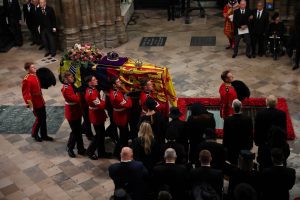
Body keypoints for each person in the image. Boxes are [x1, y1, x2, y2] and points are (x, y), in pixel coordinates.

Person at [22, 62, 53, 142]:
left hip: (40, 100)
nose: (34, 68)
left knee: (43, 118)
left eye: (34, 66)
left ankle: (44, 135)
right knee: (39, 119)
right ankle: (35, 134)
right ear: (28, 69)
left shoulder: (36, 76)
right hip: (34, 103)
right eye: (32, 67)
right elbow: (26, 94)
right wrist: (30, 105)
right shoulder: (27, 79)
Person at [84, 75, 111, 160]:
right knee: (99, 135)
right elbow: (101, 105)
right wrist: (103, 96)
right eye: (94, 79)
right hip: (96, 115)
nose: (96, 80)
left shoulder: (93, 89)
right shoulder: (91, 94)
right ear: (89, 83)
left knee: (101, 134)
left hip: (98, 113)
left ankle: (101, 152)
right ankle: (90, 151)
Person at [61, 71, 86, 158]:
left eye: (72, 77)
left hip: (76, 111)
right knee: (75, 132)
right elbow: (76, 99)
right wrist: (79, 94)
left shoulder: (71, 85)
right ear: (66, 79)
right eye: (70, 77)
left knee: (78, 131)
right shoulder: (66, 88)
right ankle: (70, 148)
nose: (72, 78)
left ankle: (81, 149)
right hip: (72, 112)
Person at [223, 99, 253, 165]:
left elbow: (226, 136)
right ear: (241, 107)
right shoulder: (248, 119)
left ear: (232, 107)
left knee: (233, 165)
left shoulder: (228, 120)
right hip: (244, 147)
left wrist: (225, 147)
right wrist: (250, 146)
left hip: (232, 148)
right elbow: (250, 134)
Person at [109, 77, 132, 156]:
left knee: (124, 134)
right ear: (114, 85)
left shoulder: (115, 91)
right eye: (118, 82)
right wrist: (128, 98)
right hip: (121, 116)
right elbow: (129, 105)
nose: (120, 83)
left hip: (119, 114)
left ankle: (123, 150)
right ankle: (118, 152)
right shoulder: (116, 96)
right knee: (123, 136)